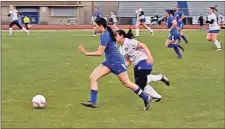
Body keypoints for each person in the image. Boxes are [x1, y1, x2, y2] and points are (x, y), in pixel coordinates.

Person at [78, 17, 153, 110]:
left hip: (117, 62)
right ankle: (92, 102)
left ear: (101, 26)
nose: (93, 28)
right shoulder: (105, 32)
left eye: (95, 26)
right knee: (93, 77)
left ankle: (146, 98)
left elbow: (99, 52)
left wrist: (85, 53)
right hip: (109, 62)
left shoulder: (105, 35)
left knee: (127, 83)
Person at [115, 28, 170, 101]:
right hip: (136, 65)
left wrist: (149, 57)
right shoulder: (121, 49)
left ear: (121, 36)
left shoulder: (129, 41)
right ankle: (157, 96)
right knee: (139, 84)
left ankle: (160, 77)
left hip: (143, 60)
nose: (114, 37)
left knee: (141, 80)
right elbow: (128, 61)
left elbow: (143, 45)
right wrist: (121, 66)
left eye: (116, 35)